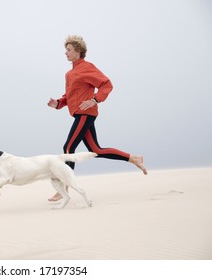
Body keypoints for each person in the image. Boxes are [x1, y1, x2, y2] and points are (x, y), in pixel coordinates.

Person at [47, 35, 147, 202]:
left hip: (86, 113)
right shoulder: (69, 74)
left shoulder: (87, 67)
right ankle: (134, 158)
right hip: (79, 114)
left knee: (68, 147)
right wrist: (58, 103)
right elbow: (69, 96)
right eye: (66, 50)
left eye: (69, 50)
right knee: (96, 150)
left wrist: (95, 99)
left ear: (78, 51)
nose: (65, 53)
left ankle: (64, 189)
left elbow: (106, 84)